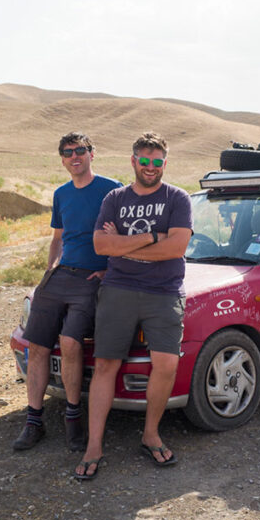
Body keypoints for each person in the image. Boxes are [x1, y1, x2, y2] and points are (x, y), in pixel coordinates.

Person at [74, 132, 192, 480]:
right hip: (118, 289)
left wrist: (121, 243)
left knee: (166, 364)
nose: (150, 167)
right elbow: (99, 245)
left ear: (164, 164)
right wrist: (153, 236)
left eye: (157, 162)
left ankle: (150, 433)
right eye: (144, 160)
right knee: (106, 363)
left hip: (164, 291)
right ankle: (94, 444)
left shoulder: (177, 198)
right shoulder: (115, 198)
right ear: (133, 161)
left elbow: (176, 249)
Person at [14, 133, 121, 452]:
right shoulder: (61, 194)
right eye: (67, 152)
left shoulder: (111, 189)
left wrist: (109, 270)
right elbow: (58, 238)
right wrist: (48, 272)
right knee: (37, 345)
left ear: (92, 154)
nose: (74, 156)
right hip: (60, 277)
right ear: (61, 159)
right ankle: (34, 421)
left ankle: (73, 417)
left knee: (71, 343)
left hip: (92, 278)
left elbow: (126, 236)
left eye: (80, 151)